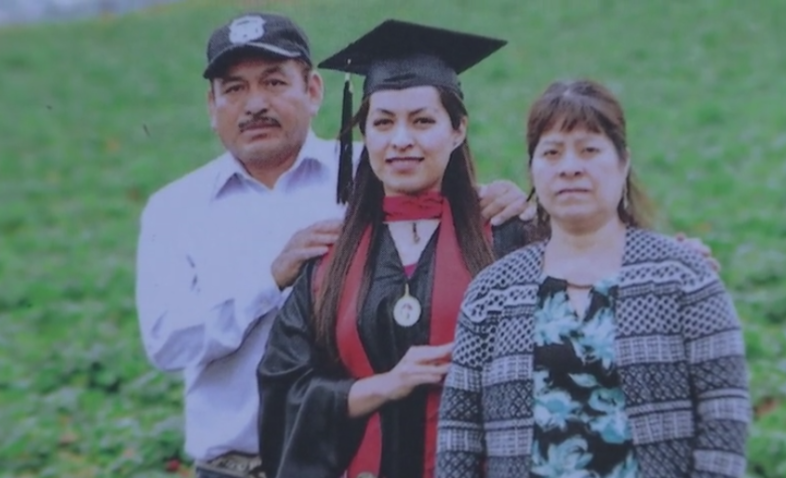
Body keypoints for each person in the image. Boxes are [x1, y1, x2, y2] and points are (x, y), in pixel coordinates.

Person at [134, 12, 531, 478]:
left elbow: (450, 204)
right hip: (234, 464)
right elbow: (165, 343)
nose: (255, 103)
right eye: (234, 88)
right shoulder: (176, 209)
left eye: (275, 82)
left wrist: (510, 200)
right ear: (212, 103)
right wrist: (269, 280)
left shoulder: (377, 168)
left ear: (315, 90)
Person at [255, 19, 534, 478]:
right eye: (382, 122)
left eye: (423, 120)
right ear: (366, 134)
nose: (401, 139)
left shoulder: (505, 238)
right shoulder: (328, 259)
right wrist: (382, 387)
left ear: (458, 129)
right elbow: (285, 389)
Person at [436, 79, 751, 478]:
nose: (570, 167)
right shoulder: (493, 291)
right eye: (551, 152)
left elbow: (724, 412)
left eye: (589, 150)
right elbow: (460, 432)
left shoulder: (683, 279)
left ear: (623, 162)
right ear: (533, 167)